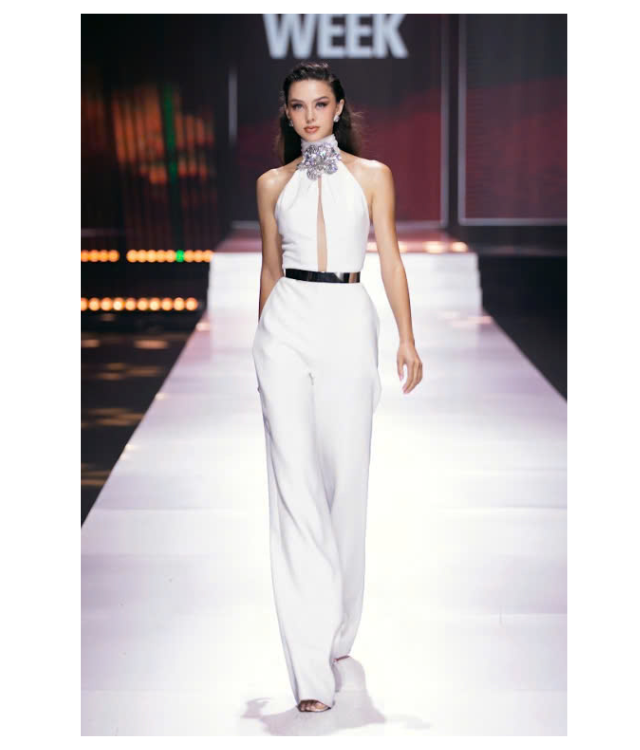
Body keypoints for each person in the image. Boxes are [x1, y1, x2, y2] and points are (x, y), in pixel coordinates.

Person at [252, 61, 423, 713]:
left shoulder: (374, 176)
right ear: (287, 112)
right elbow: (270, 268)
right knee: (293, 488)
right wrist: (259, 345)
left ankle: (340, 628)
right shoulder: (272, 184)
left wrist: (407, 338)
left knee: (346, 482)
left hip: (349, 320)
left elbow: (391, 258)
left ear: (340, 107)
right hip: (286, 327)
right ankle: (309, 668)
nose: (310, 116)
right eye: (298, 106)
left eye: (320, 103)